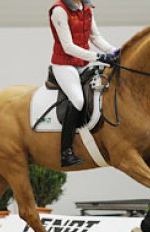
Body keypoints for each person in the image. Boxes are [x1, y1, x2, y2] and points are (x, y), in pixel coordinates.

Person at [49, 0, 118, 167]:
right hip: (64, 65)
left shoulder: (87, 7)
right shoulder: (59, 10)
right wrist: (99, 57)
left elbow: (95, 36)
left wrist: (114, 51)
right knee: (78, 101)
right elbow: (68, 47)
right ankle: (65, 151)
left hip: (83, 62)